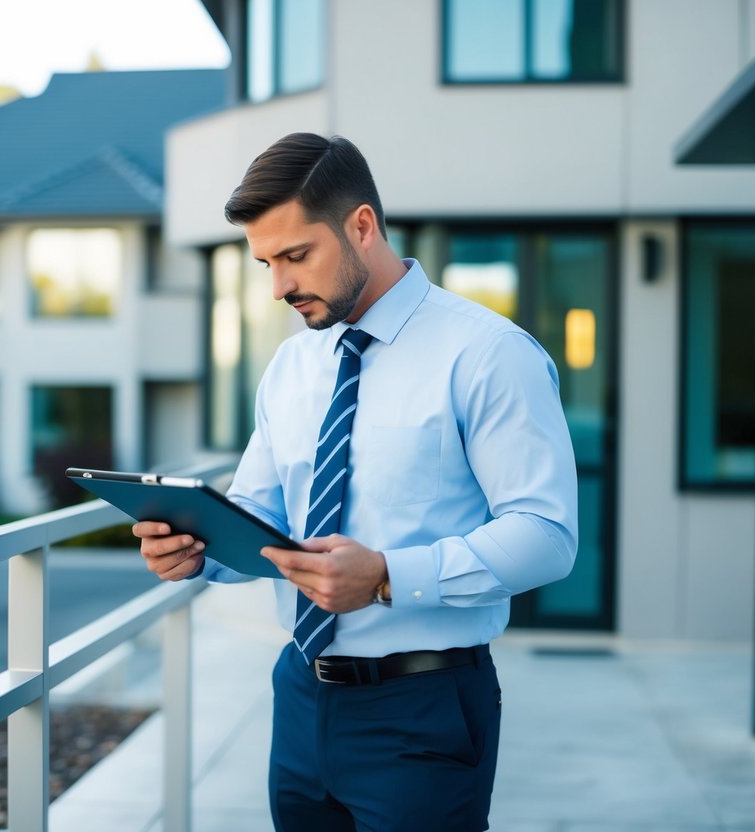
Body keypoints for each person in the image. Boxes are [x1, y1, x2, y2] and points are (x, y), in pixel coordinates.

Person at [133, 132, 577, 831]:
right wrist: (196, 550)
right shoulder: (290, 366)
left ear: (361, 225)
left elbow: (546, 538)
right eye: (265, 263)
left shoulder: (488, 355)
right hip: (300, 695)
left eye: (294, 256)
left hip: (423, 705)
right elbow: (258, 514)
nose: (278, 285)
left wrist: (384, 575)